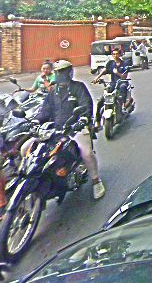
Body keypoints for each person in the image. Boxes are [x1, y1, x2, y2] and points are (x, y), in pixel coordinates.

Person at [21, 60, 106, 200]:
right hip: (54, 129)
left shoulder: (78, 87)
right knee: (25, 148)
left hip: (75, 128)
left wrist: (83, 119)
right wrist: (35, 121)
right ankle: (31, 179)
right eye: (57, 72)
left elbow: (86, 105)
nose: (60, 75)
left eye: (62, 72)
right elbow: (45, 110)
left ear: (69, 72)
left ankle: (96, 181)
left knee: (86, 153)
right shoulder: (53, 92)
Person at [92, 48, 132, 127]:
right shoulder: (110, 63)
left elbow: (125, 76)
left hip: (122, 82)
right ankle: (97, 120)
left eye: (116, 54)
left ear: (120, 54)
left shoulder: (124, 63)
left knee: (122, 89)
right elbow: (104, 71)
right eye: (113, 54)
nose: (115, 55)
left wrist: (117, 73)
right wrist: (96, 78)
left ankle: (123, 106)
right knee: (101, 100)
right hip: (113, 83)